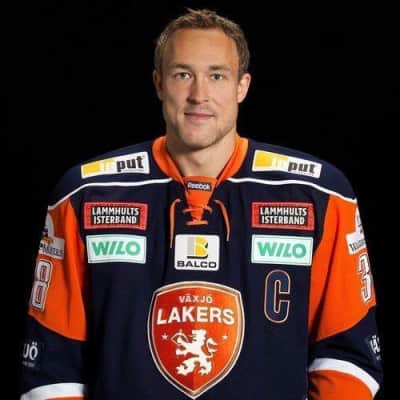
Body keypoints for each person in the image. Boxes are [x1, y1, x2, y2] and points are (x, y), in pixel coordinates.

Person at [20, 8, 383, 400]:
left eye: (217, 75)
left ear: (242, 86)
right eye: (182, 74)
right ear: (159, 84)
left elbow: (348, 356)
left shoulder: (320, 195)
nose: (198, 95)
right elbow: (52, 365)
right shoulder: (84, 195)